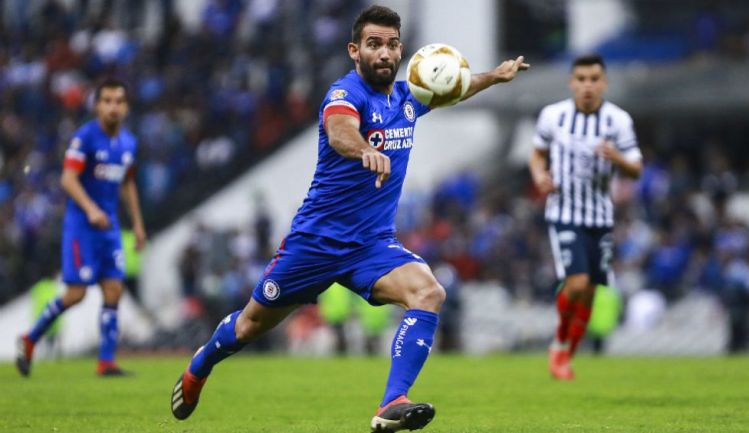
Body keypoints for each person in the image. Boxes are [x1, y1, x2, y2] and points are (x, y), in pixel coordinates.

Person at [170, 5, 528, 432]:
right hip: (315, 243)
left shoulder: (406, 98)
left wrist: (495, 76)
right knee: (248, 327)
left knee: (429, 292)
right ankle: (201, 363)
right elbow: (341, 132)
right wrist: (364, 150)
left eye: (392, 45)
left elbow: (454, 85)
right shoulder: (344, 94)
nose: (384, 53)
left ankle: (392, 402)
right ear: (354, 51)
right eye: (374, 44)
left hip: (372, 246)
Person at [15, 79, 146, 377]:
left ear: (125, 107)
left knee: (114, 288)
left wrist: (138, 224)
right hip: (82, 226)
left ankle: (106, 362)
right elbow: (68, 179)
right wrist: (90, 209)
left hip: (109, 227)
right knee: (77, 293)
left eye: (119, 101)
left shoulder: (128, 143)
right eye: (108, 101)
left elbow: (127, 183)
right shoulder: (85, 138)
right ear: (97, 106)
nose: (114, 107)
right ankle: (29, 339)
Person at [528, 54, 642, 380]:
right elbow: (537, 154)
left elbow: (636, 169)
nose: (587, 85)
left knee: (590, 291)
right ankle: (558, 345)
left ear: (603, 83)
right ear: (571, 82)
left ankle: (566, 355)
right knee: (576, 283)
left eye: (594, 79)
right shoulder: (553, 116)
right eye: (581, 79)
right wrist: (539, 176)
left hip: (601, 216)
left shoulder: (617, 120)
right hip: (564, 212)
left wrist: (616, 156)